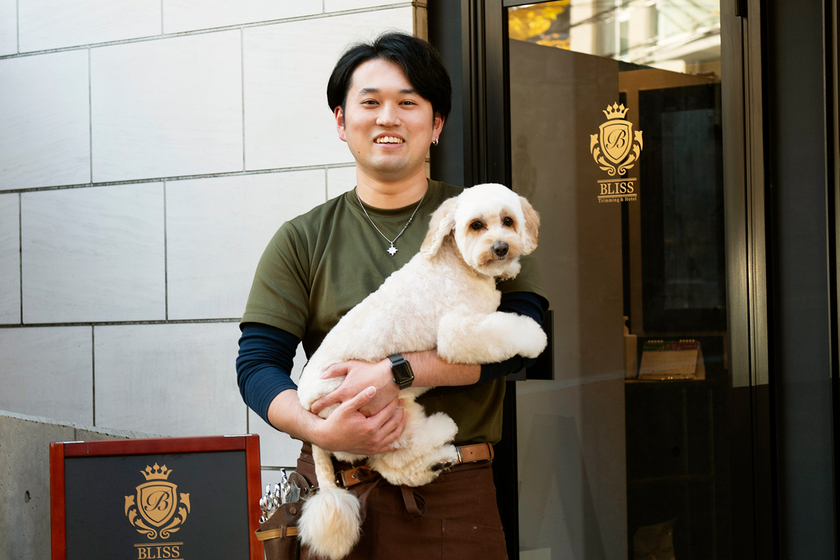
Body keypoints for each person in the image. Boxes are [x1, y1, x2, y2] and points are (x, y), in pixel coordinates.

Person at [237, 32, 548, 560]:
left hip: (450, 491)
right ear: (341, 121)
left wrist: (398, 372)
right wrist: (322, 428)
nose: (388, 117)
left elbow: (523, 348)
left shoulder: (486, 216)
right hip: (334, 490)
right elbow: (256, 366)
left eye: (408, 102)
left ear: (437, 123)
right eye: (370, 102)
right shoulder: (302, 238)